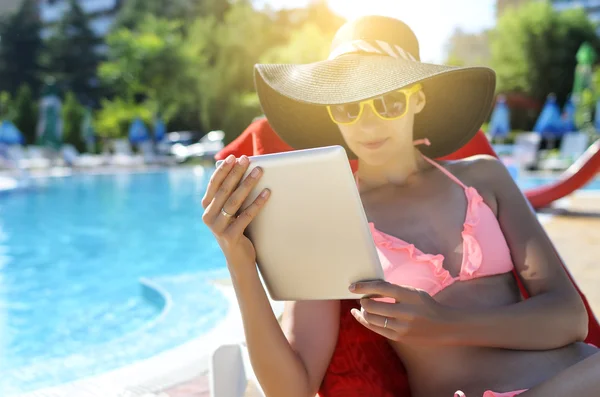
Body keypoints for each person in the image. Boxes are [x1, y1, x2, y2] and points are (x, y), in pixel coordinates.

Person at [201, 15, 600, 397]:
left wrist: (444, 325)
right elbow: (293, 389)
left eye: (388, 101)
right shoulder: (331, 215)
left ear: (418, 100)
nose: (368, 123)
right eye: (349, 106)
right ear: (332, 115)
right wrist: (239, 261)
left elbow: (569, 319)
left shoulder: (484, 177)